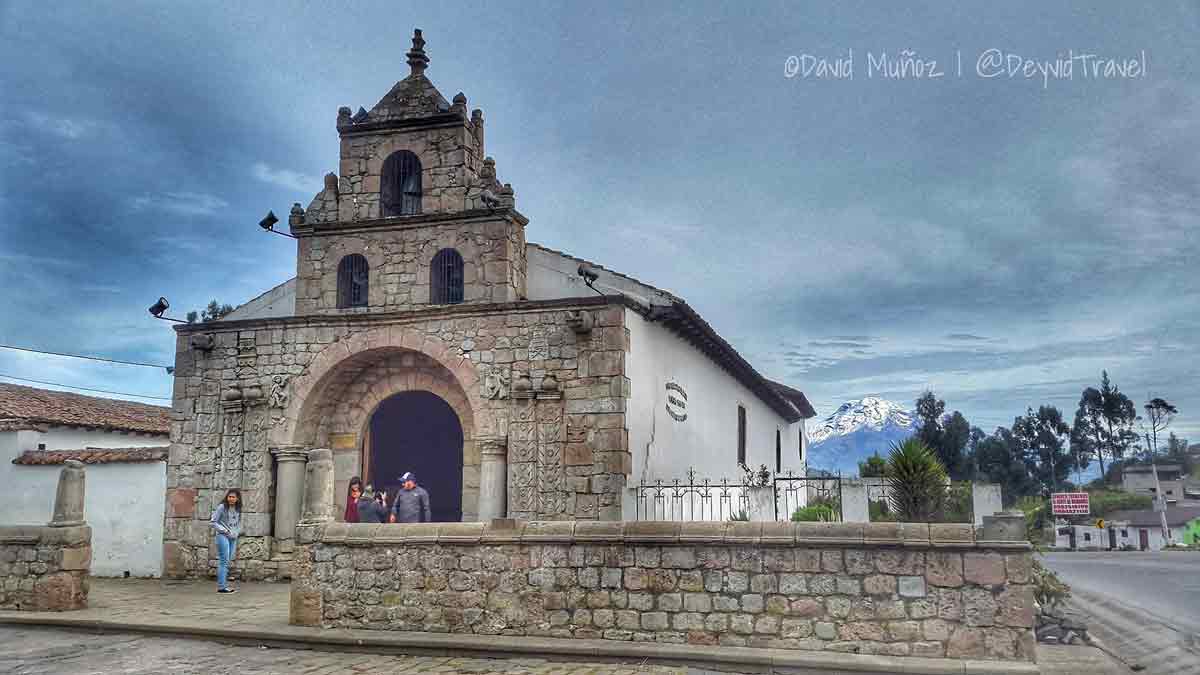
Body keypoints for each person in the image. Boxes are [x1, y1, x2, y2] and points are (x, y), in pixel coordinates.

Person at [210, 488, 242, 594]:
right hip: (223, 536)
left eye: (233, 497)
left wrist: (236, 533)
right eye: (229, 496)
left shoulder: (238, 509)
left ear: (237, 498)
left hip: (233, 537)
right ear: (227, 497)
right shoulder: (222, 507)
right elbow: (213, 522)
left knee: (227, 561)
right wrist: (225, 530)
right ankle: (222, 587)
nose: (231, 499)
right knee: (224, 561)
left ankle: (223, 585)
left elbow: (238, 523)